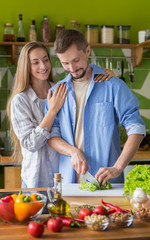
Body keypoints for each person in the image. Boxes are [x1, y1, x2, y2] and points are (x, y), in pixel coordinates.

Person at [7, 41, 114, 188]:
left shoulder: (61, 89)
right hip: (35, 180)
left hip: (64, 178)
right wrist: (52, 111)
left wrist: (106, 74)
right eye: (35, 62)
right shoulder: (20, 101)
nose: (43, 66)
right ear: (26, 66)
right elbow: (30, 144)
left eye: (45, 60)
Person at [46, 29, 146, 185]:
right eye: (65, 63)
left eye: (76, 60)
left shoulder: (114, 86)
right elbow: (51, 135)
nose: (71, 68)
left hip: (108, 184)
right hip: (69, 185)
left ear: (87, 50)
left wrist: (118, 167)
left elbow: (137, 129)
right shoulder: (55, 92)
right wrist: (73, 151)